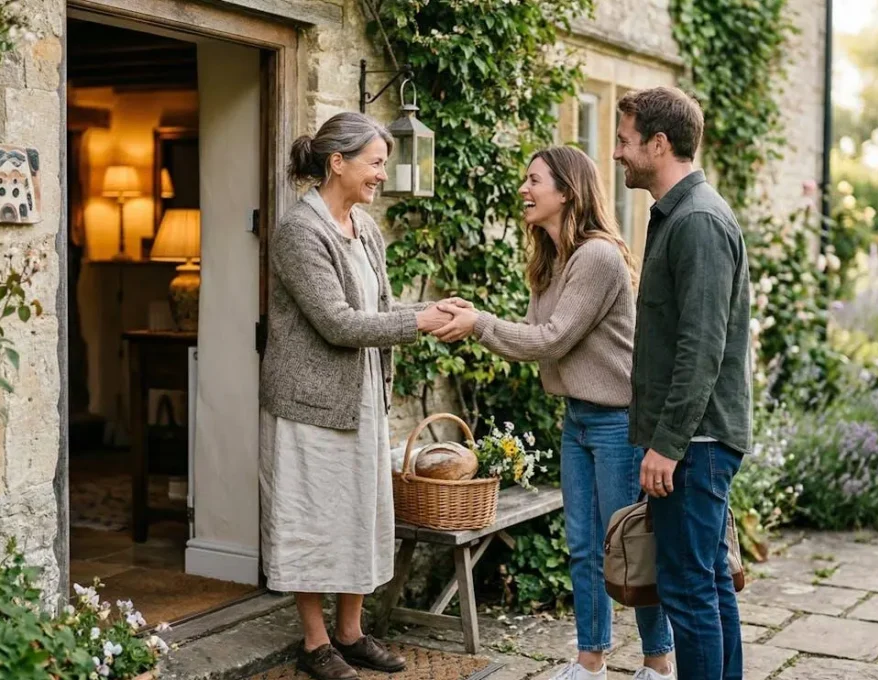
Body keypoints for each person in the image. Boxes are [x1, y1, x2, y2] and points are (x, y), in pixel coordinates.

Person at [432, 146, 676, 680]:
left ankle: (658, 664)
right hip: (579, 421)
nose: (524, 188)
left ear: (566, 190)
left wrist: (477, 323)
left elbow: (550, 339)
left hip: (618, 423)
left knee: (631, 547)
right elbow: (538, 339)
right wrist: (477, 321)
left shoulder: (596, 256)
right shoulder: (554, 258)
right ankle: (591, 661)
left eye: (533, 179)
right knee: (584, 547)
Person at [259, 112, 455, 680]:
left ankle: (351, 632)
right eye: (374, 163)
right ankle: (315, 643)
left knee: (359, 515)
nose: (381, 175)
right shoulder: (300, 231)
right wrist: (421, 323)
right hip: (310, 404)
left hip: (362, 395)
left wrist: (431, 312)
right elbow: (339, 323)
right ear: (336, 162)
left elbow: (381, 311)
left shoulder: (365, 228)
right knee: (311, 519)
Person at [613, 87, 752, 680]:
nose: (617, 154)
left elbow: (702, 348)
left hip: (694, 445)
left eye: (624, 141)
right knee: (709, 584)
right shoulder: (680, 216)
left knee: (690, 591)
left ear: (659, 143)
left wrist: (666, 445)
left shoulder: (696, 221)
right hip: (693, 442)